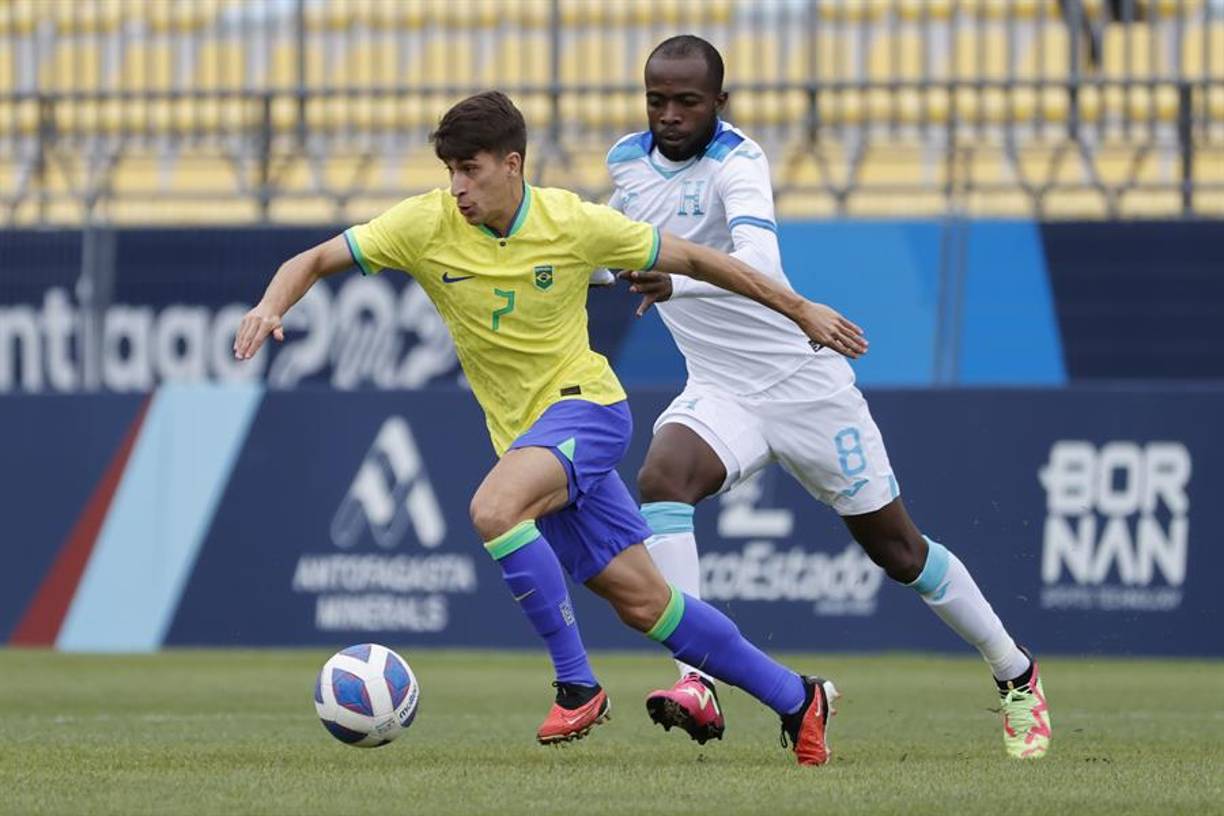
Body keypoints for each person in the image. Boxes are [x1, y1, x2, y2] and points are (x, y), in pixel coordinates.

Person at [233, 91, 870, 766]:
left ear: (512, 164)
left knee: (494, 508)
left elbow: (703, 260)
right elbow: (308, 262)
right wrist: (269, 306)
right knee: (648, 604)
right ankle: (799, 699)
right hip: (527, 439)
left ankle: (577, 685)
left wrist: (800, 310)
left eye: (470, 170)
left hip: (586, 411)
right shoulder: (422, 225)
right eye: (449, 170)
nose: (457, 187)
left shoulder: (573, 222)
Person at [600, 36, 1051, 760]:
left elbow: (760, 262)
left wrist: (673, 279)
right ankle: (695, 682)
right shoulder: (626, 163)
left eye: (688, 101)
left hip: (804, 388)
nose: (671, 115)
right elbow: (607, 248)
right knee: (663, 477)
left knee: (900, 552)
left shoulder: (739, 162)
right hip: (721, 390)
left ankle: (1016, 673)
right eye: (658, 100)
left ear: (721, 102)